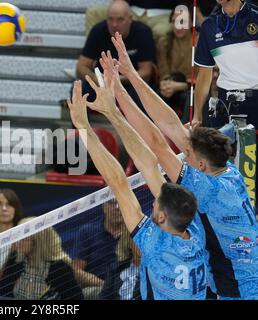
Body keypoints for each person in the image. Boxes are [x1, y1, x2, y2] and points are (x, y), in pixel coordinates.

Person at [107, 31, 258, 299]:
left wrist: (117, 95)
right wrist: (130, 75)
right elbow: (171, 127)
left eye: (186, 155)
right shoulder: (228, 172)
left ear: (200, 165)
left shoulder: (207, 190)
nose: (182, 156)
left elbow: (157, 142)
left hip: (240, 293)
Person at [67, 79, 207, 300]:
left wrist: (84, 126)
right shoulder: (196, 232)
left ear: (161, 216)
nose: (151, 203)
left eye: (154, 203)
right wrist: (113, 113)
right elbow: (148, 165)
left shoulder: (154, 244)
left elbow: (119, 183)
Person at [76, 0, 156, 110]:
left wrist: (119, 79)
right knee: (78, 90)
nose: (114, 24)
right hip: (103, 84)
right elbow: (81, 67)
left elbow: (146, 72)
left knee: (143, 95)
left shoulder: (143, 33)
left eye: (120, 19)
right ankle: (80, 127)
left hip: (131, 84)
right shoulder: (98, 30)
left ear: (130, 19)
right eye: (110, 19)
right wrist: (96, 79)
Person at [194, 0, 258, 129]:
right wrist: (197, 115)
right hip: (224, 102)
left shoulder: (256, 16)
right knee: (224, 148)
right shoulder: (209, 25)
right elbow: (204, 75)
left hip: (255, 100)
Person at [0, 217, 84, 300]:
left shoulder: (58, 268)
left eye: (23, 239)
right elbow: (0, 292)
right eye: (17, 237)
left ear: (38, 242)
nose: (18, 242)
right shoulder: (15, 260)